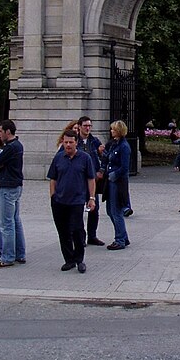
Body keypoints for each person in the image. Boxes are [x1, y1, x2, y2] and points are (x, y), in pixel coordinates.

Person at [47, 129, 96, 273]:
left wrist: (91, 198)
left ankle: (79, 259)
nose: (68, 145)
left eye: (71, 142)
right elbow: (53, 178)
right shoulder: (58, 158)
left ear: (76, 143)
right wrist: (53, 196)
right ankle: (69, 259)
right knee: (63, 231)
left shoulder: (85, 158)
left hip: (77, 201)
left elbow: (91, 179)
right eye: (66, 142)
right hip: (59, 201)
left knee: (77, 230)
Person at [0, 119, 26, 267]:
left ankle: (7, 257)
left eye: (0, 131)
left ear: (8, 132)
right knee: (15, 221)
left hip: (8, 186)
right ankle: (20, 253)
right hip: (16, 185)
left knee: (6, 223)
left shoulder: (10, 147)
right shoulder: (18, 145)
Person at [101, 120, 131, 250]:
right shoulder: (113, 144)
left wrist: (115, 174)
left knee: (116, 211)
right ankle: (123, 236)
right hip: (110, 180)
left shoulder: (124, 146)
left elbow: (125, 167)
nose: (111, 131)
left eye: (113, 129)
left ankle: (119, 239)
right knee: (109, 210)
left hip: (117, 182)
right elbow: (107, 158)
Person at [77, 116, 105, 245]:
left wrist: (101, 170)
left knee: (94, 208)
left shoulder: (94, 141)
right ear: (79, 126)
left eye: (89, 126)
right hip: (78, 181)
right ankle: (80, 237)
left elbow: (105, 157)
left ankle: (92, 235)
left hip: (92, 180)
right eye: (85, 126)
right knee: (77, 210)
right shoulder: (73, 141)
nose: (88, 128)